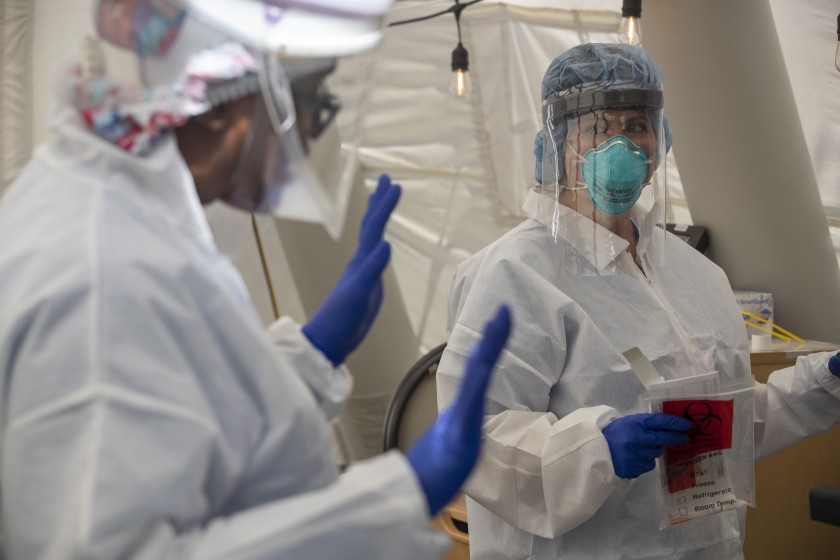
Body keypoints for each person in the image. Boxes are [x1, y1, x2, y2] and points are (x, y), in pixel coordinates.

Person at [0, 1, 513, 559]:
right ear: (217, 94)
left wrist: (312, 354)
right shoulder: (106, 272)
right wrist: (398, 497)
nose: (311, 135)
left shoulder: (121, 211)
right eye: (309, 101)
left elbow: (178, 423)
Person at [436, 42, 840, 560]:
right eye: (600, 129)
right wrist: (595, 449)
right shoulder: (515, 274)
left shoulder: (697, 274)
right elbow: (475, 437)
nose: (623, 147)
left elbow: (725, 427)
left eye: (637, 127)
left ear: (660, 139)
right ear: (559, 145)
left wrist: (824, 383)